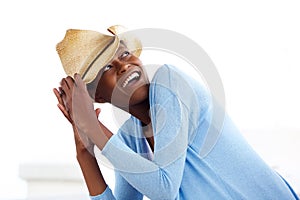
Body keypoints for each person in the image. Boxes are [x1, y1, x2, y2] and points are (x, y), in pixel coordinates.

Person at [53, 25, 299, 200]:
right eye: (107, 67)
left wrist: (93, 128)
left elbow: (164, 190)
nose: (124, 65)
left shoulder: (171, 83)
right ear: (96, 97)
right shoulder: (131, 136)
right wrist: (85, 153)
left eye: (125, 54)